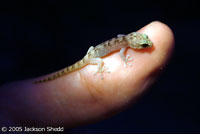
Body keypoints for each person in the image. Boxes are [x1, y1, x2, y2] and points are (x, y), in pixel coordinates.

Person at [0, 21, 174, 129]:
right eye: (144, 44)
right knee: (98, 63)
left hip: (91, 51)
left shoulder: (126, 38)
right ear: (135, 44)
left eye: (145, 42)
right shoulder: (125, 45)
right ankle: (94, 67)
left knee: (94, 56)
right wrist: (118, 62)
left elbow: (121, 36)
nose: (147, 44)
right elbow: (121, 55)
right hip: (92, 59)